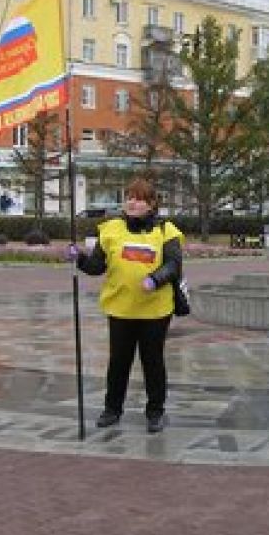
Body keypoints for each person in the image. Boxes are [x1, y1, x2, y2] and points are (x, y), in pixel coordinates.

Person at [71, 177, 183, 433]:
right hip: (120, 308)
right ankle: (112, 409)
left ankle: (155, 411)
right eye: (129, 197)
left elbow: (174, 265)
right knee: (118, 362)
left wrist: (156, 279)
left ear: (151, 204)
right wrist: (78, 258)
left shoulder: (166, 231)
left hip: (155, 310)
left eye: (139, 198)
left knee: (152, 361)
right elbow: (97, 267)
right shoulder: (110, 229)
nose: (132, 202)